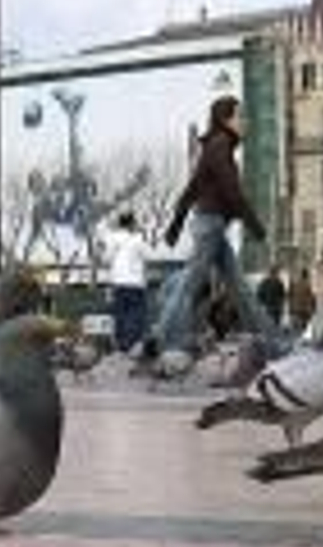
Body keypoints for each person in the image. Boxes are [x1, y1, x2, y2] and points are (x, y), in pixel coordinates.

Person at [145, 95, 281, 365]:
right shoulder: (219, 146)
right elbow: (232, 192)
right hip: (210, 225)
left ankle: (273, 343)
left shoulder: (216, 147)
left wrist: (176, 224)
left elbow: (193, 187)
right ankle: (160, 339)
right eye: (240, 116)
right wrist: (257, 228)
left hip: (211, 225)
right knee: (189, 286)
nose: (245, 121)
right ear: (225, 119)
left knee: (239, 289)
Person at [107, 211, 149, 353]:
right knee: (135, 314)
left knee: (120, 314)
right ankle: (132, 344)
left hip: (118, 282)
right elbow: (148, 255)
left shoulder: (112, 239)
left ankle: (121, 346)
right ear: (132, 224)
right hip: (135, 283)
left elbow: (108, 258)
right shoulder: (138, 239)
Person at [288, 266, 318, 336]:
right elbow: (311, 297)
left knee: (296, 326)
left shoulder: (296, 284)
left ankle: (296, 334)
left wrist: (291, 307)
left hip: (296, 307)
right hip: (304, 308)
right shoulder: (308, 285)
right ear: (306, 275)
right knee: (304, 326)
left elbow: (290, 296)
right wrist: (313, 307)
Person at [256, 264, 287, 329]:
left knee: (276, 323)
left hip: (277, 307)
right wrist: (262, 302)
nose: (275, 275)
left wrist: (281, 303)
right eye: (274, 273)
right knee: (269, 323)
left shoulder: (279, 283)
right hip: (268, 306)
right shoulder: (265, 283)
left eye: (276, 273)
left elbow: (282, 295)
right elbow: (259, 294)